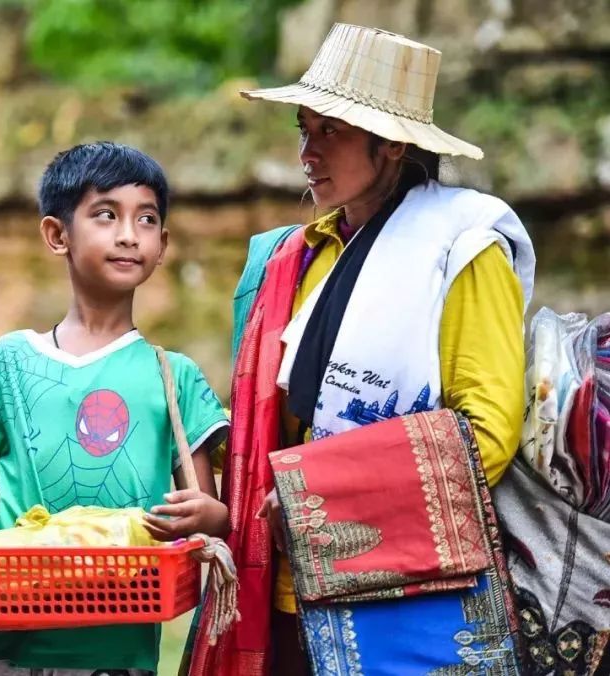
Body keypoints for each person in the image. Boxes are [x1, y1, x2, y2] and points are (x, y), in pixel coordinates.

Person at [185, 24, 536, 676]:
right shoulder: (300, 258)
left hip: (403, 597)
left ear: (394, 143)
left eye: (331, 132)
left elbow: (485, 436)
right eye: (303, 129)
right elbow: (281, 420)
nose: (307, 153)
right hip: (285, 589)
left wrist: (320, 495)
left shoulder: (463, 251)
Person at [0, 142, 232, 676]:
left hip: (118, 649)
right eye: (106, 215)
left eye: (147, 219)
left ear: (163, 244)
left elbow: (210, 510)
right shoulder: (11, 359)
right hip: (1, 642)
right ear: (57, 235)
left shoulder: (172, 375)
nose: (129, 234)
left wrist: (209, 518)